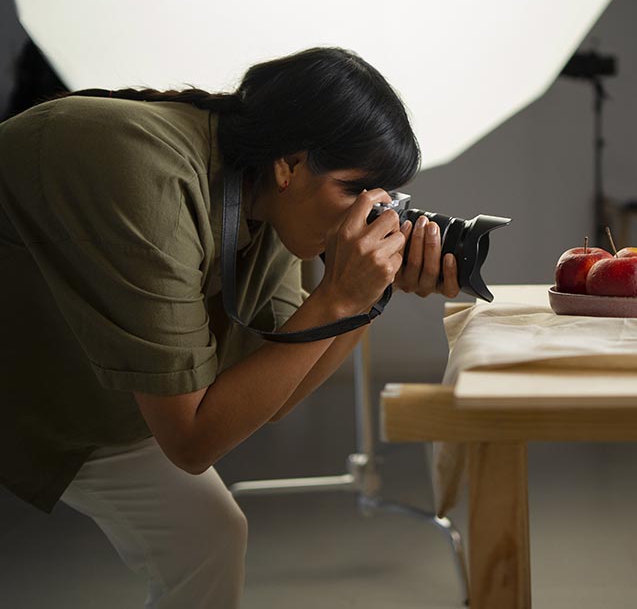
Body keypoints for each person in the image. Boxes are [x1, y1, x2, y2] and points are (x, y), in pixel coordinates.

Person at [0, 47, 460, 607]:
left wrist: (367, 298)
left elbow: (276, 388)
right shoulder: (148, 177)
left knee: (208, 537)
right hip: (32, 366)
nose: (366, 217)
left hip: (68, 370)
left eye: (380, 200)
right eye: (353, 190)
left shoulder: (265, 198)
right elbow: (193, 441)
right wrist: (338, 297)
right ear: (290, 164)